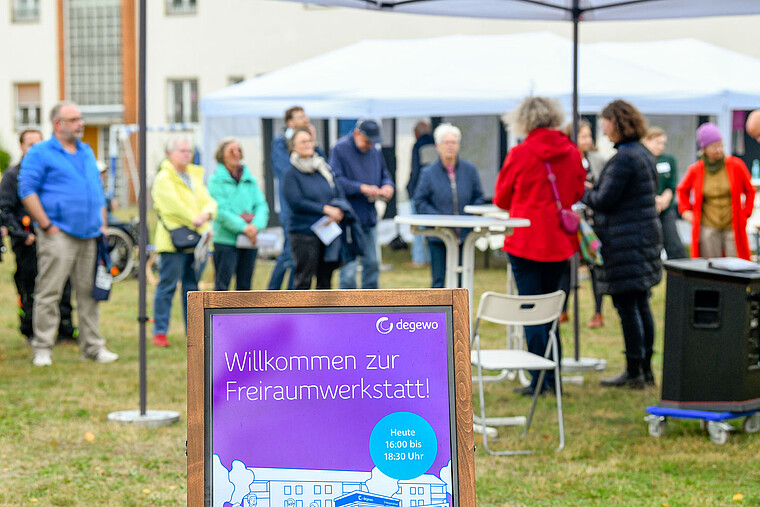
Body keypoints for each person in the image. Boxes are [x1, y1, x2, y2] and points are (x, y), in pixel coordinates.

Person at [493, 97, 586, 396]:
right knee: (551, 311)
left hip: (526, 241)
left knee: (531, 310)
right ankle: (553, 377)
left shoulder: (520, 153)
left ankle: (538, 380)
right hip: (560, 241)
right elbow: (577, 191)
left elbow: (501, 198)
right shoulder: (571, 151)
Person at [18, 101, 118, 366]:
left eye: (80, 118)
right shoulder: (40, 153)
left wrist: (102, 224)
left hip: (89, 234)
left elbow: (96, 190)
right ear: (58, 124)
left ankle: (93, 347)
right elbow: (27, 189)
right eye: (74, 119)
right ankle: (43, 347)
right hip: (57, 233)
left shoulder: (85, 151)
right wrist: (46, 224)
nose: (80, 123)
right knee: (49, 291)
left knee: (88, 293)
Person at [581, 99, 663, 389]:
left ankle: (634, 371)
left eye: (605, 122)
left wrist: (584, 191)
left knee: (628, 306)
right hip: (643, 239)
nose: (602, 129)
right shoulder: (642, 153)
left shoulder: (624, 158)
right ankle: (646, 370)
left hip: (625, 242)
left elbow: (605, 200)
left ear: (616, 122)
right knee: (641, 304)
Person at [0, 129, 78, 343]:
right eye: (30, 143)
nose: (34, 148)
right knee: (31, 288)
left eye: (38, 143)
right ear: (21, 147)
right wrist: (23, 235)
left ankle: (65, 330)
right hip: (28, 244)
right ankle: (31, 331)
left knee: (63, 285)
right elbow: (4, 210)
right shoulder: (12, 176)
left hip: (55, 239)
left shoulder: (50, 173)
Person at [152, 136, 217, 347]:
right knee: (167, 285)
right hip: (173, 242)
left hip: (197, 241)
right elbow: (172, 207)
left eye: (189, 151)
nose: (186, 154)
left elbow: (209, 201)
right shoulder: (163, 178)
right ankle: (160, 331)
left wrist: (206, 214)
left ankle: (194, 332)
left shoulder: (195, 176)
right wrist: (196, 220)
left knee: (192, 288)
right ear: (170, 153)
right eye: (182, 150)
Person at [413, 123, 485, 288]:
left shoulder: (470, 170)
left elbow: (479, 197)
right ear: (438, 146)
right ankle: (436, 314)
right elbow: (420, 201)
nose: (450, 146)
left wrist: (468, 217)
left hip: (465, 236)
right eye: (446, 142)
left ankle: (461, 313)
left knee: (462, 281)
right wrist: (439, 218)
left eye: (454, 142)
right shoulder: (428, 173)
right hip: (439, 235)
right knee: (439, 281)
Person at [330, 119, 394, 289]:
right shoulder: (340, 149)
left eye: (373, 142)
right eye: (367, 141)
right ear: (357, 133)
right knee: (349, 269)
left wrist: (388, 185)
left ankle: (371, 307)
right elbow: (335, 180)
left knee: (372, 263)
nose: (369, 145)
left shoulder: (374, 151)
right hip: (349, 218)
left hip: (369, 216)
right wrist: (361, 188)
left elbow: (384, 173)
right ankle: (348, 310)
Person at [676, 123, 754, 260]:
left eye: (720, 145)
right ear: (704, 149)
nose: (718, 150)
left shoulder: (736, 165)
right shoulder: (696, 169)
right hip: (708, 226)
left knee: (737, 262)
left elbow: (750, 190)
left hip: (732, 224)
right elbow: (682, 190)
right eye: (713, 147)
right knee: (711, 264)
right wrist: (686, 211)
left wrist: (745, 213)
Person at [558, 119, 608, 328]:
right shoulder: (564, 160)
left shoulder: (597, 160)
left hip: (592, 220)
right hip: (570, 221)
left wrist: (590, 187)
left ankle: (598, 312)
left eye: (589, 136)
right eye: (583, 136)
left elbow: (604, 187)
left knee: (595, 265)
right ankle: (562, 310)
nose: (587, 140)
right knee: (566, 266)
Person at [282, 128, 344, 289]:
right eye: (303, 142)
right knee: (304, 279)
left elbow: (336, 191)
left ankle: (323, 314)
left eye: (310, 141)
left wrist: (337, 210)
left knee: (325, 279)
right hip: (304, 234)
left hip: (327, 231)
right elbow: (296, 202)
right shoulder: (291, 174)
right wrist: (325, 209)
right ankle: (299, 314)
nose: (308, 144)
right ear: (293, 147)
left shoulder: (322, 169)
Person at [208, 138, 269, 291]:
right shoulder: (215, 180)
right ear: (222, 155)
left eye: (238, 150)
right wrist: (243, 227)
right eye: (231, 151)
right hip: (226, 240)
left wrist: (255, 226)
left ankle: (242, 316)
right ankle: (219, 315)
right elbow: (221, 210)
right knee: (222, 286)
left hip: (250, 239)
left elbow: (261, 205)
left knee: (245, 287)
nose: (236, 154)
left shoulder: (250, 179)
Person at [268, 106, 318, 290]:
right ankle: (272, 295)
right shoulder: (281, 142)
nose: (305, 120)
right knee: (289, 252)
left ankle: (290, 296)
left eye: (305, 116)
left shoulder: (309, 142)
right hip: (291, 205)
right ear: (290, 122)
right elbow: (286, 171)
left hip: (307, 207)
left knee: (297, 255)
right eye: (299, 117)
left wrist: (314, 141)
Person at [642, 127, 687, 260]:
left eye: (663, 143)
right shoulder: (641, 159)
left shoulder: (669, 160)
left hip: (666, 207)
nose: (660, 146)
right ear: (646, 141)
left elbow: (672, 184)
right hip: (647, 208)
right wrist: (654, 199)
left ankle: (679, 273)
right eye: (657, 142)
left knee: (673, 242)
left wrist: (665, 199)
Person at [406, 121, 436, 266]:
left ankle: (418, 258)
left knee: (418, 227)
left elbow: (416, 169)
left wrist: (410, 189)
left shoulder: (418, 145)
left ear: (417, 132)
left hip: (418, 191)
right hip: (433, 193)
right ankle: (431, 257)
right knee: (432, 228)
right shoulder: (436, 144)